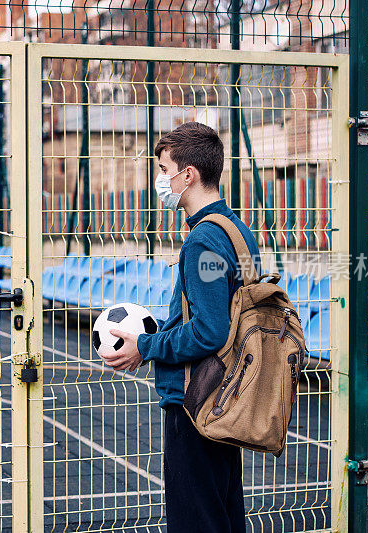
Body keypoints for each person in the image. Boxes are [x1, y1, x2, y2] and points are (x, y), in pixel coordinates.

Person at [100, 121, 260, 533]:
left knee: (197, 520)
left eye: (162, 168)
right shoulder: (236, 230)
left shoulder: (203, 241)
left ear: (188, 174)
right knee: (222, 513)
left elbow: (210, 330)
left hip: (196, 402)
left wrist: (146, 345)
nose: (160, 179)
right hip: (228, 394)